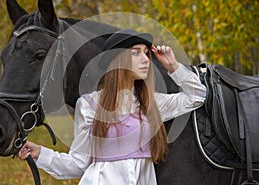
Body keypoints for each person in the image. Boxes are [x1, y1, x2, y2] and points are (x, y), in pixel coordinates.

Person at [19, 29, 206, 184]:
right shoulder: (89, 106)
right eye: (135, 53)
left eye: (145, 53)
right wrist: (40, 154)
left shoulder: (152, 104)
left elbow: (197, 96)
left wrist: (173, 65)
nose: (146, 59)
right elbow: (78, 164)